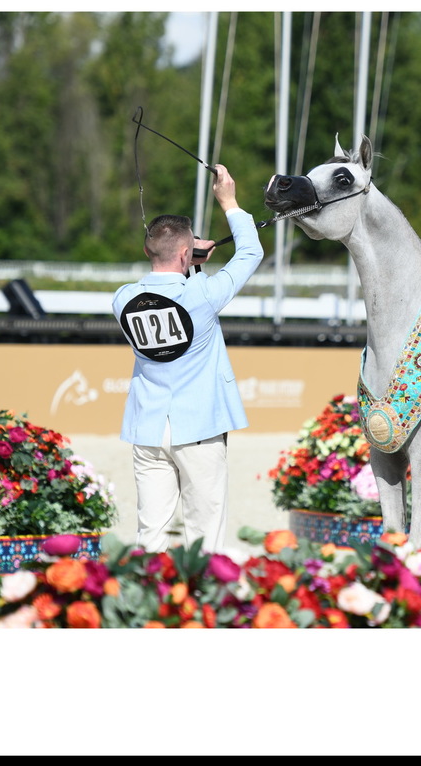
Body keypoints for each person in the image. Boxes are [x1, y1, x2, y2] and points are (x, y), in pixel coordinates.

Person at [112, 164, 263, 554]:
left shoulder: (122, 299)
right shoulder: (204, 295)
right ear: (185, 251)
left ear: (147, 251)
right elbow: (250, 251)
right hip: (198, 426)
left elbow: (167, 291)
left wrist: (191, 262)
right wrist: (228, 201)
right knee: (204, 533)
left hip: (148, 426)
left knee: (152, 532)